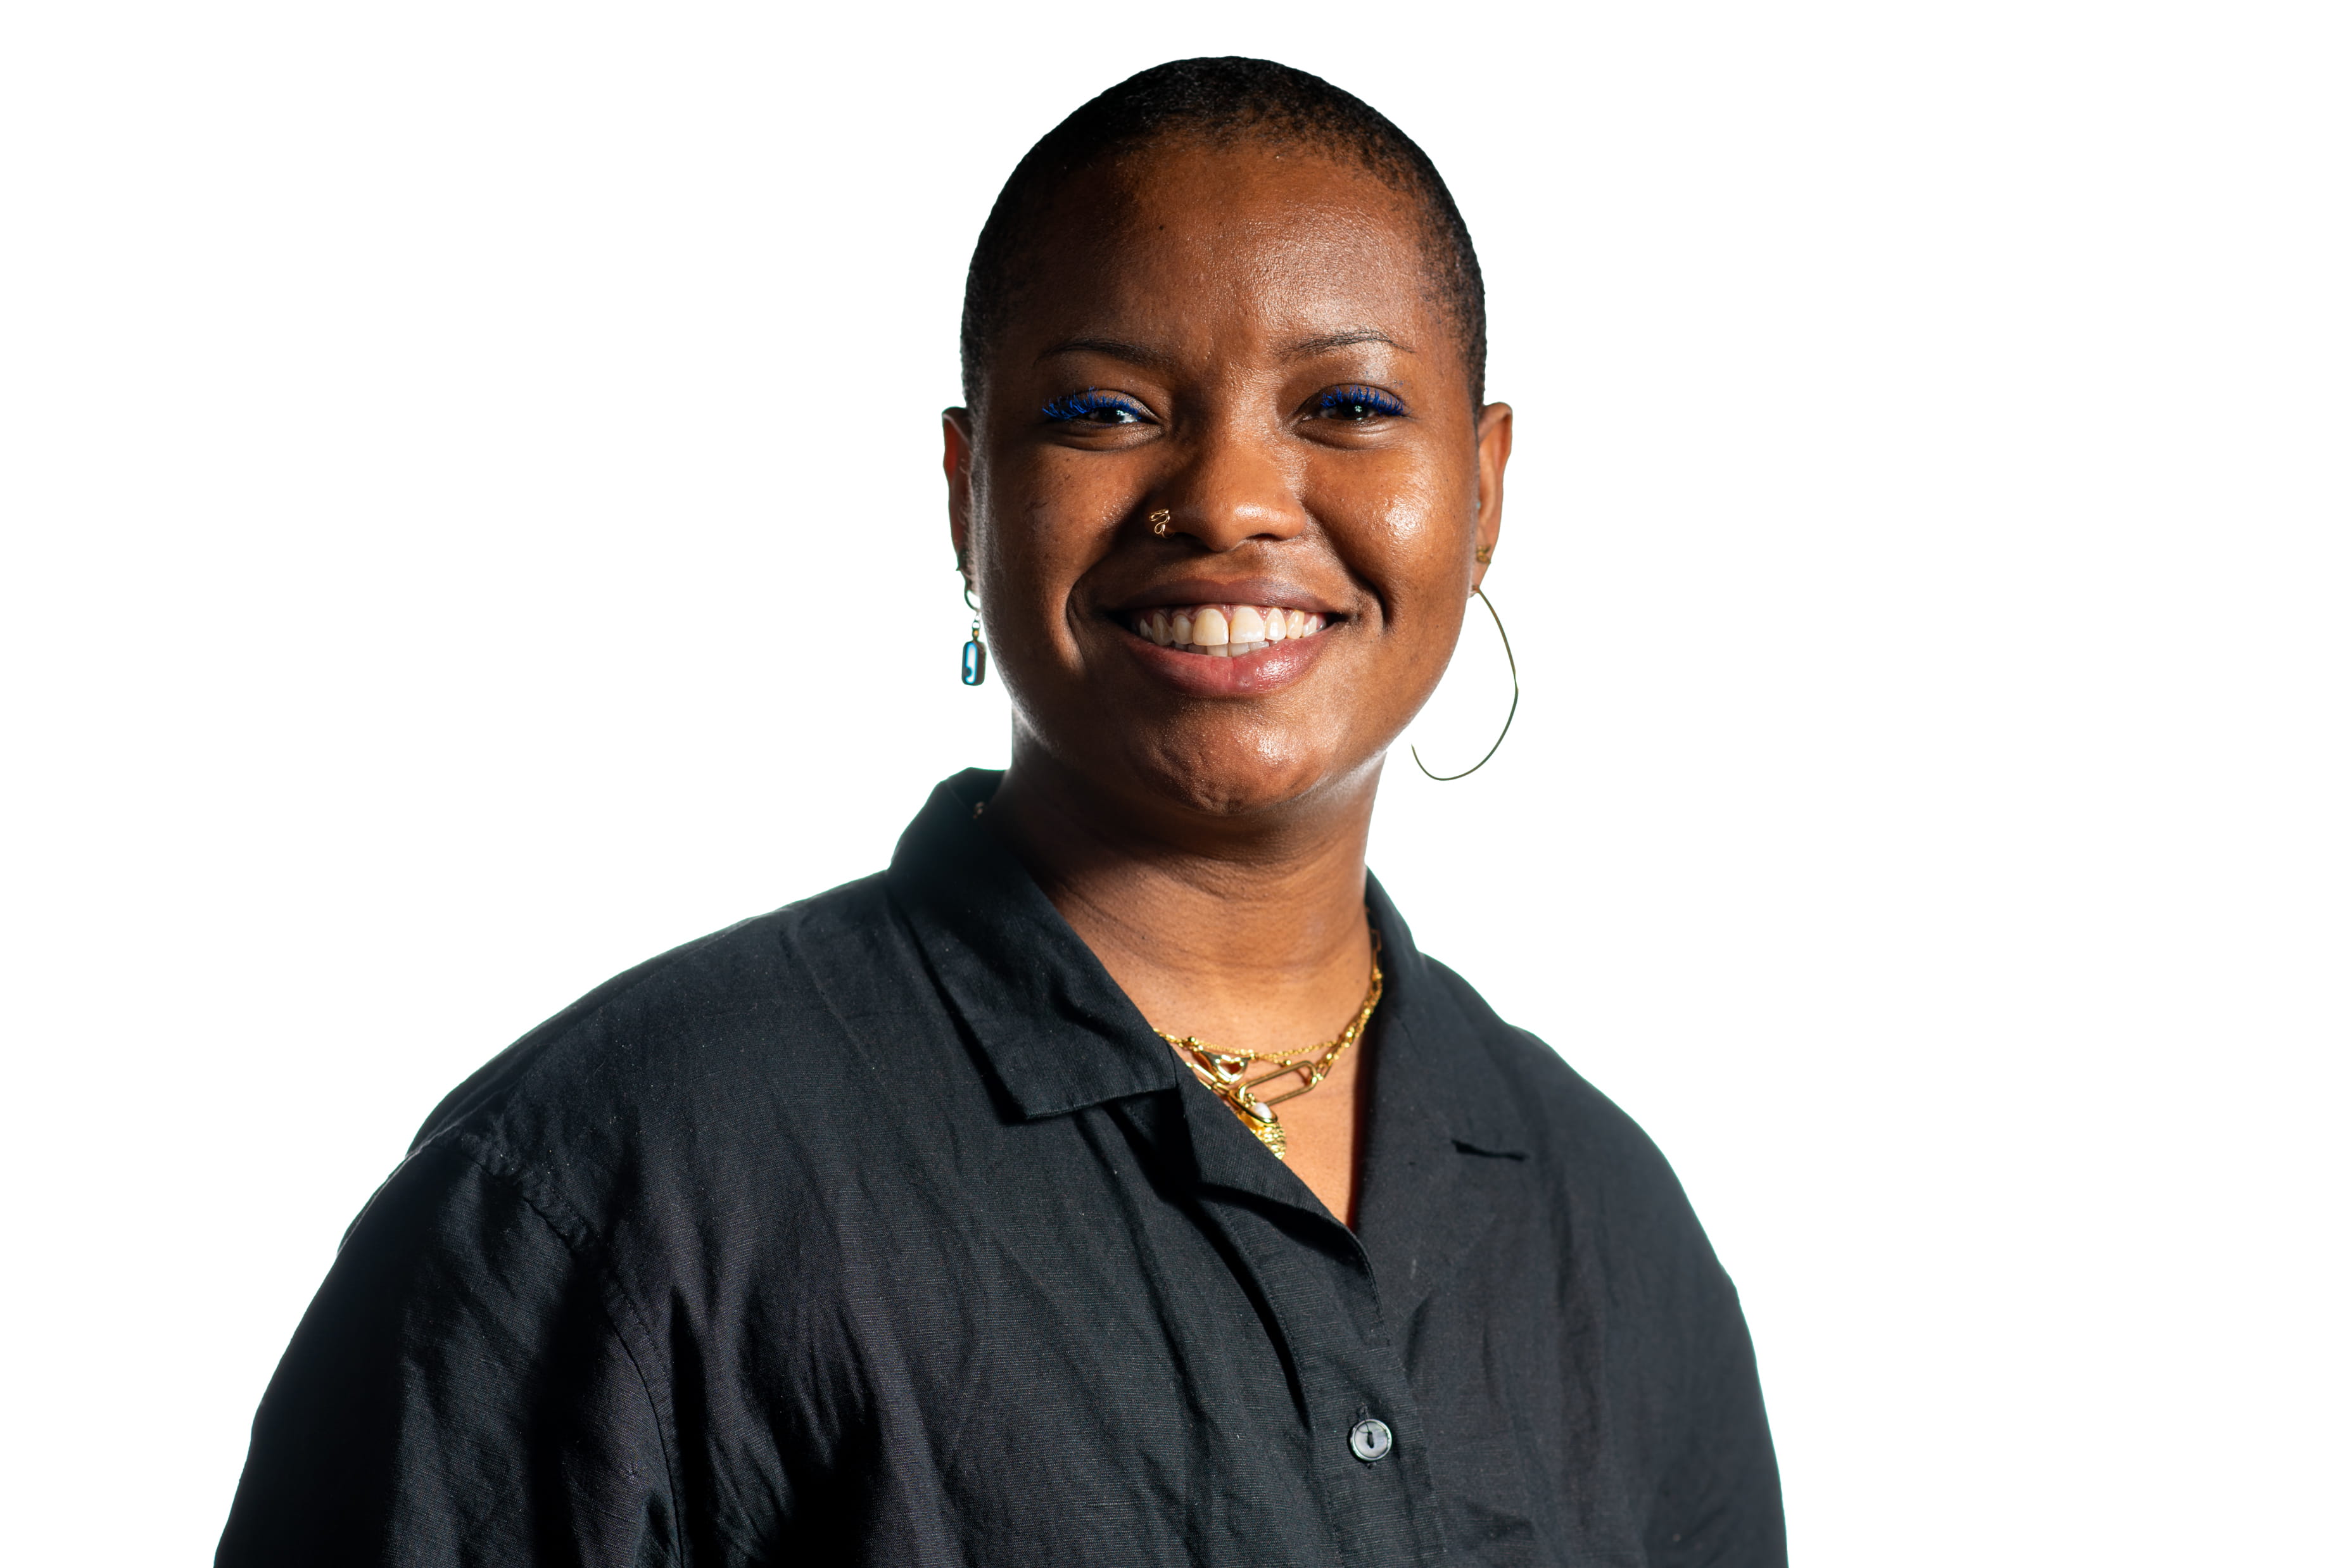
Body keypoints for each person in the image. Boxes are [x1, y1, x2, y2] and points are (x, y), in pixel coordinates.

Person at [218, 56, 1783, 1567]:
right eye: (1104, 411)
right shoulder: (613, 1173)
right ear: (965, 489)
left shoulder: (1612, 1228)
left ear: (1486, 488)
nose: (1233, 497)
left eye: (1350, 405)